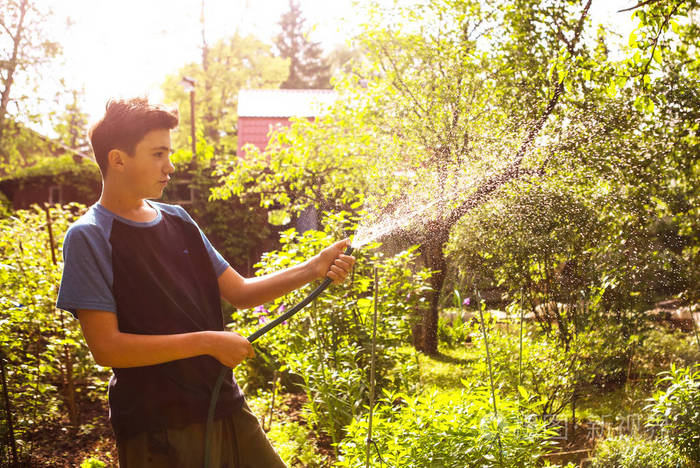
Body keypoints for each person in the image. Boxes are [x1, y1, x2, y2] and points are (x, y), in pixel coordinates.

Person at [55, 97, 356, 467]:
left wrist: (313, 268)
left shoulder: (179, 220)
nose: (170, 165)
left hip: (223, 403)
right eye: (158, 154)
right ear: (117, 159)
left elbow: (240, 292)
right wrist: (207, 342)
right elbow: (107, 348)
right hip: (159, 425)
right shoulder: (89, 236)